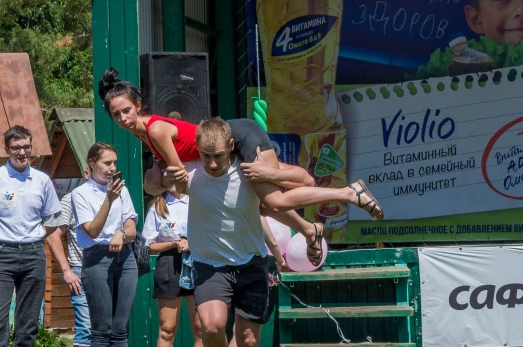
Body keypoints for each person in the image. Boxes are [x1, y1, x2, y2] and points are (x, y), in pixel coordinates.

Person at [98, 67, 384, 266]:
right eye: (116, 114)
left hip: (240, 135)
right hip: (231, 138)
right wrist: (158, 177)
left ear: (138, 105)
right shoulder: (142, 134)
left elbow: (181, 179)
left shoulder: (156, 130)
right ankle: (311, 231)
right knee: (264, 205)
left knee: (274, 200)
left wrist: (161, 179)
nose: (123, 118)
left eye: (126, 110)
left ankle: (349, 193)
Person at [165, 118, 275, 347]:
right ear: (197, 149)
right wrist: (162, 179)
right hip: (211, 265)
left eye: (218, 156)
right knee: (213, 326)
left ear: (231, 146)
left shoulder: (250, 171)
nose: (212, 164)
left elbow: (298, 181)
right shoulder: (190, 171)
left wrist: (272, 174)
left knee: (248, 340)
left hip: (252, 262)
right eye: (206, 156)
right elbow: (150, 184)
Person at [0, 125, 61, 347]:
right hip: (0, 254)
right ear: (7, 149)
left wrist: (37, 235)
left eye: (26, 147)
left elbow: (53, 220)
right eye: (16, 148)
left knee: (28, 324)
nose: (22, 153)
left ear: (31, 147)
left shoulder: (42, 180)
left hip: (34, 254)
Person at [71, 142, 138, 347]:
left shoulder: (122, 191)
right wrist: (109, 199)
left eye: (114, 163)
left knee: (120, 330)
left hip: (125, 257)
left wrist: (121, 233)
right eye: (107, 163)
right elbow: (92, 230)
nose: (112, 168)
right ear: (91, 163)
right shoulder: (81, 193)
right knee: (101, 329)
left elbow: (132, 229)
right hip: (97, 257)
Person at [142, 188, 203, 347]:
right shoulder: (157, 206)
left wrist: (192, 242)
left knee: (200, 327)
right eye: (168, 175)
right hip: (168, 263)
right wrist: (173, 243)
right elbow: (148, 245)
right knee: (167, 328)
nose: (174, 181)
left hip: (197, 262)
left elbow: (212, 234)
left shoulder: (198, 201)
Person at [45, 168, 91, 347]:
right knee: (85, 328)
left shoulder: (115, 197)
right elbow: (53, 235)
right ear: (87, 172)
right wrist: (67, 271)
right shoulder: (71, 199)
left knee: (109, 328)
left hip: (109, 270)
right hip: (81, 269)